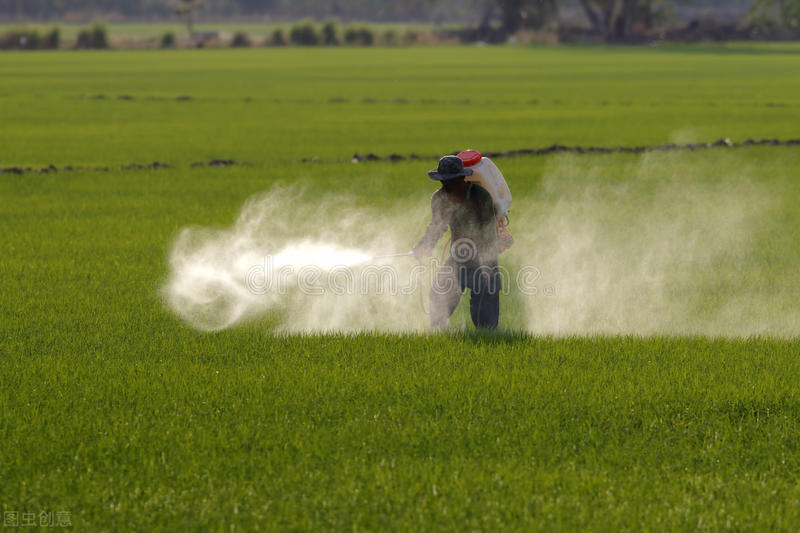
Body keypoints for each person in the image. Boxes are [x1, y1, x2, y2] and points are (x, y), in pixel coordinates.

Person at [412, 155, 501, 330]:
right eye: (442, 182)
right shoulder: (439, 198)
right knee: (438, 296)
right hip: (458, 259)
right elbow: (437, 226)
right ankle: (438, 336)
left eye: (449, 181)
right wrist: (425, 245)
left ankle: (487, 342)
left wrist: (488, 267)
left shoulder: (480, 196)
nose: (445, 186)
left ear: (462, 178)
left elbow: (490, 234)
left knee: (485, 318)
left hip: (484, 259)